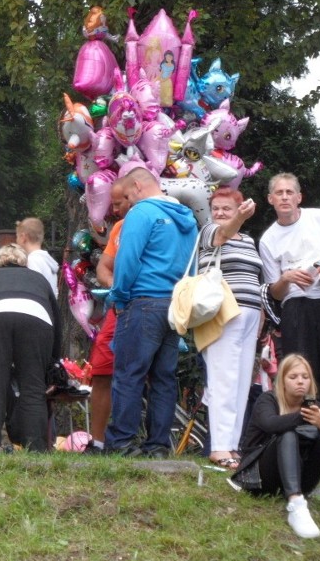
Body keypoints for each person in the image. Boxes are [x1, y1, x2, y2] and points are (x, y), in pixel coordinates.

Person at [104, 168, 197, 457]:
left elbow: (127, 260)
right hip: (173, 307)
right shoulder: (188, 219)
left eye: (129, 196)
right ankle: (157, 445)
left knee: (129, 375)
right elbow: (192, 266)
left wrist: (118, 296)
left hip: (142, 302)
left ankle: (122, 443)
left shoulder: (142, 213)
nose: (129, 203)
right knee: (164, 379)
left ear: (137, 186)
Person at [259, 172, 320, 423]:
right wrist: (287, 278)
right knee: (301, 374)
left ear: (300, 197)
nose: (285, 197)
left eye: (290, 192)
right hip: (295, 309)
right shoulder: (268, 239)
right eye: (279, 193)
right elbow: (274, 293)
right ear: (270, 199)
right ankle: (308, 439)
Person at [233, 355, 320, 539]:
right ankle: (295, 505)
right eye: (293, 376)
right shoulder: (268, 399)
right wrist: (305, 416)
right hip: (260, 479)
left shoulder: (312, 405)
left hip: (301, 478)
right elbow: (271, 424)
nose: (300, 381)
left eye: (305, 377)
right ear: (282, 380)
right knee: (287, 434)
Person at [0, 243, 61, 452]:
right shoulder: (38, 279)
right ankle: (36, 450)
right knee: (33, 388)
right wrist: (53, 365)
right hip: (36, 318)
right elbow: (57, 322)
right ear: (24, 262)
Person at [197, 188, 261, 469]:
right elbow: (223, 234)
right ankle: (219, 447)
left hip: (249, 315)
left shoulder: (248, 240)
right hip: (223, 311)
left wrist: (260, 319)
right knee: (223, 379)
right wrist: (239, 218)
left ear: (238, 208)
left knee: (240, 383)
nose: (220, 213)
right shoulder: (209, 230)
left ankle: (233, 447)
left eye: (227, 209)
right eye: (217, 208)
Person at [84, 177, 129, 454]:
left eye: (119, 203)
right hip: (119, 307)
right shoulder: (120, 228)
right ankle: (98, 442)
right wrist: (117, 286)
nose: (114, 209)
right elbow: (103, 268)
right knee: (101, 371)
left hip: (148, 307)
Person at [15, 218, 58, 297]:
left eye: (17, 236)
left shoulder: (32, 261)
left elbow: (33, 290)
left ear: (23, 237)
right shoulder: (46, 261)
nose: (16, 240)